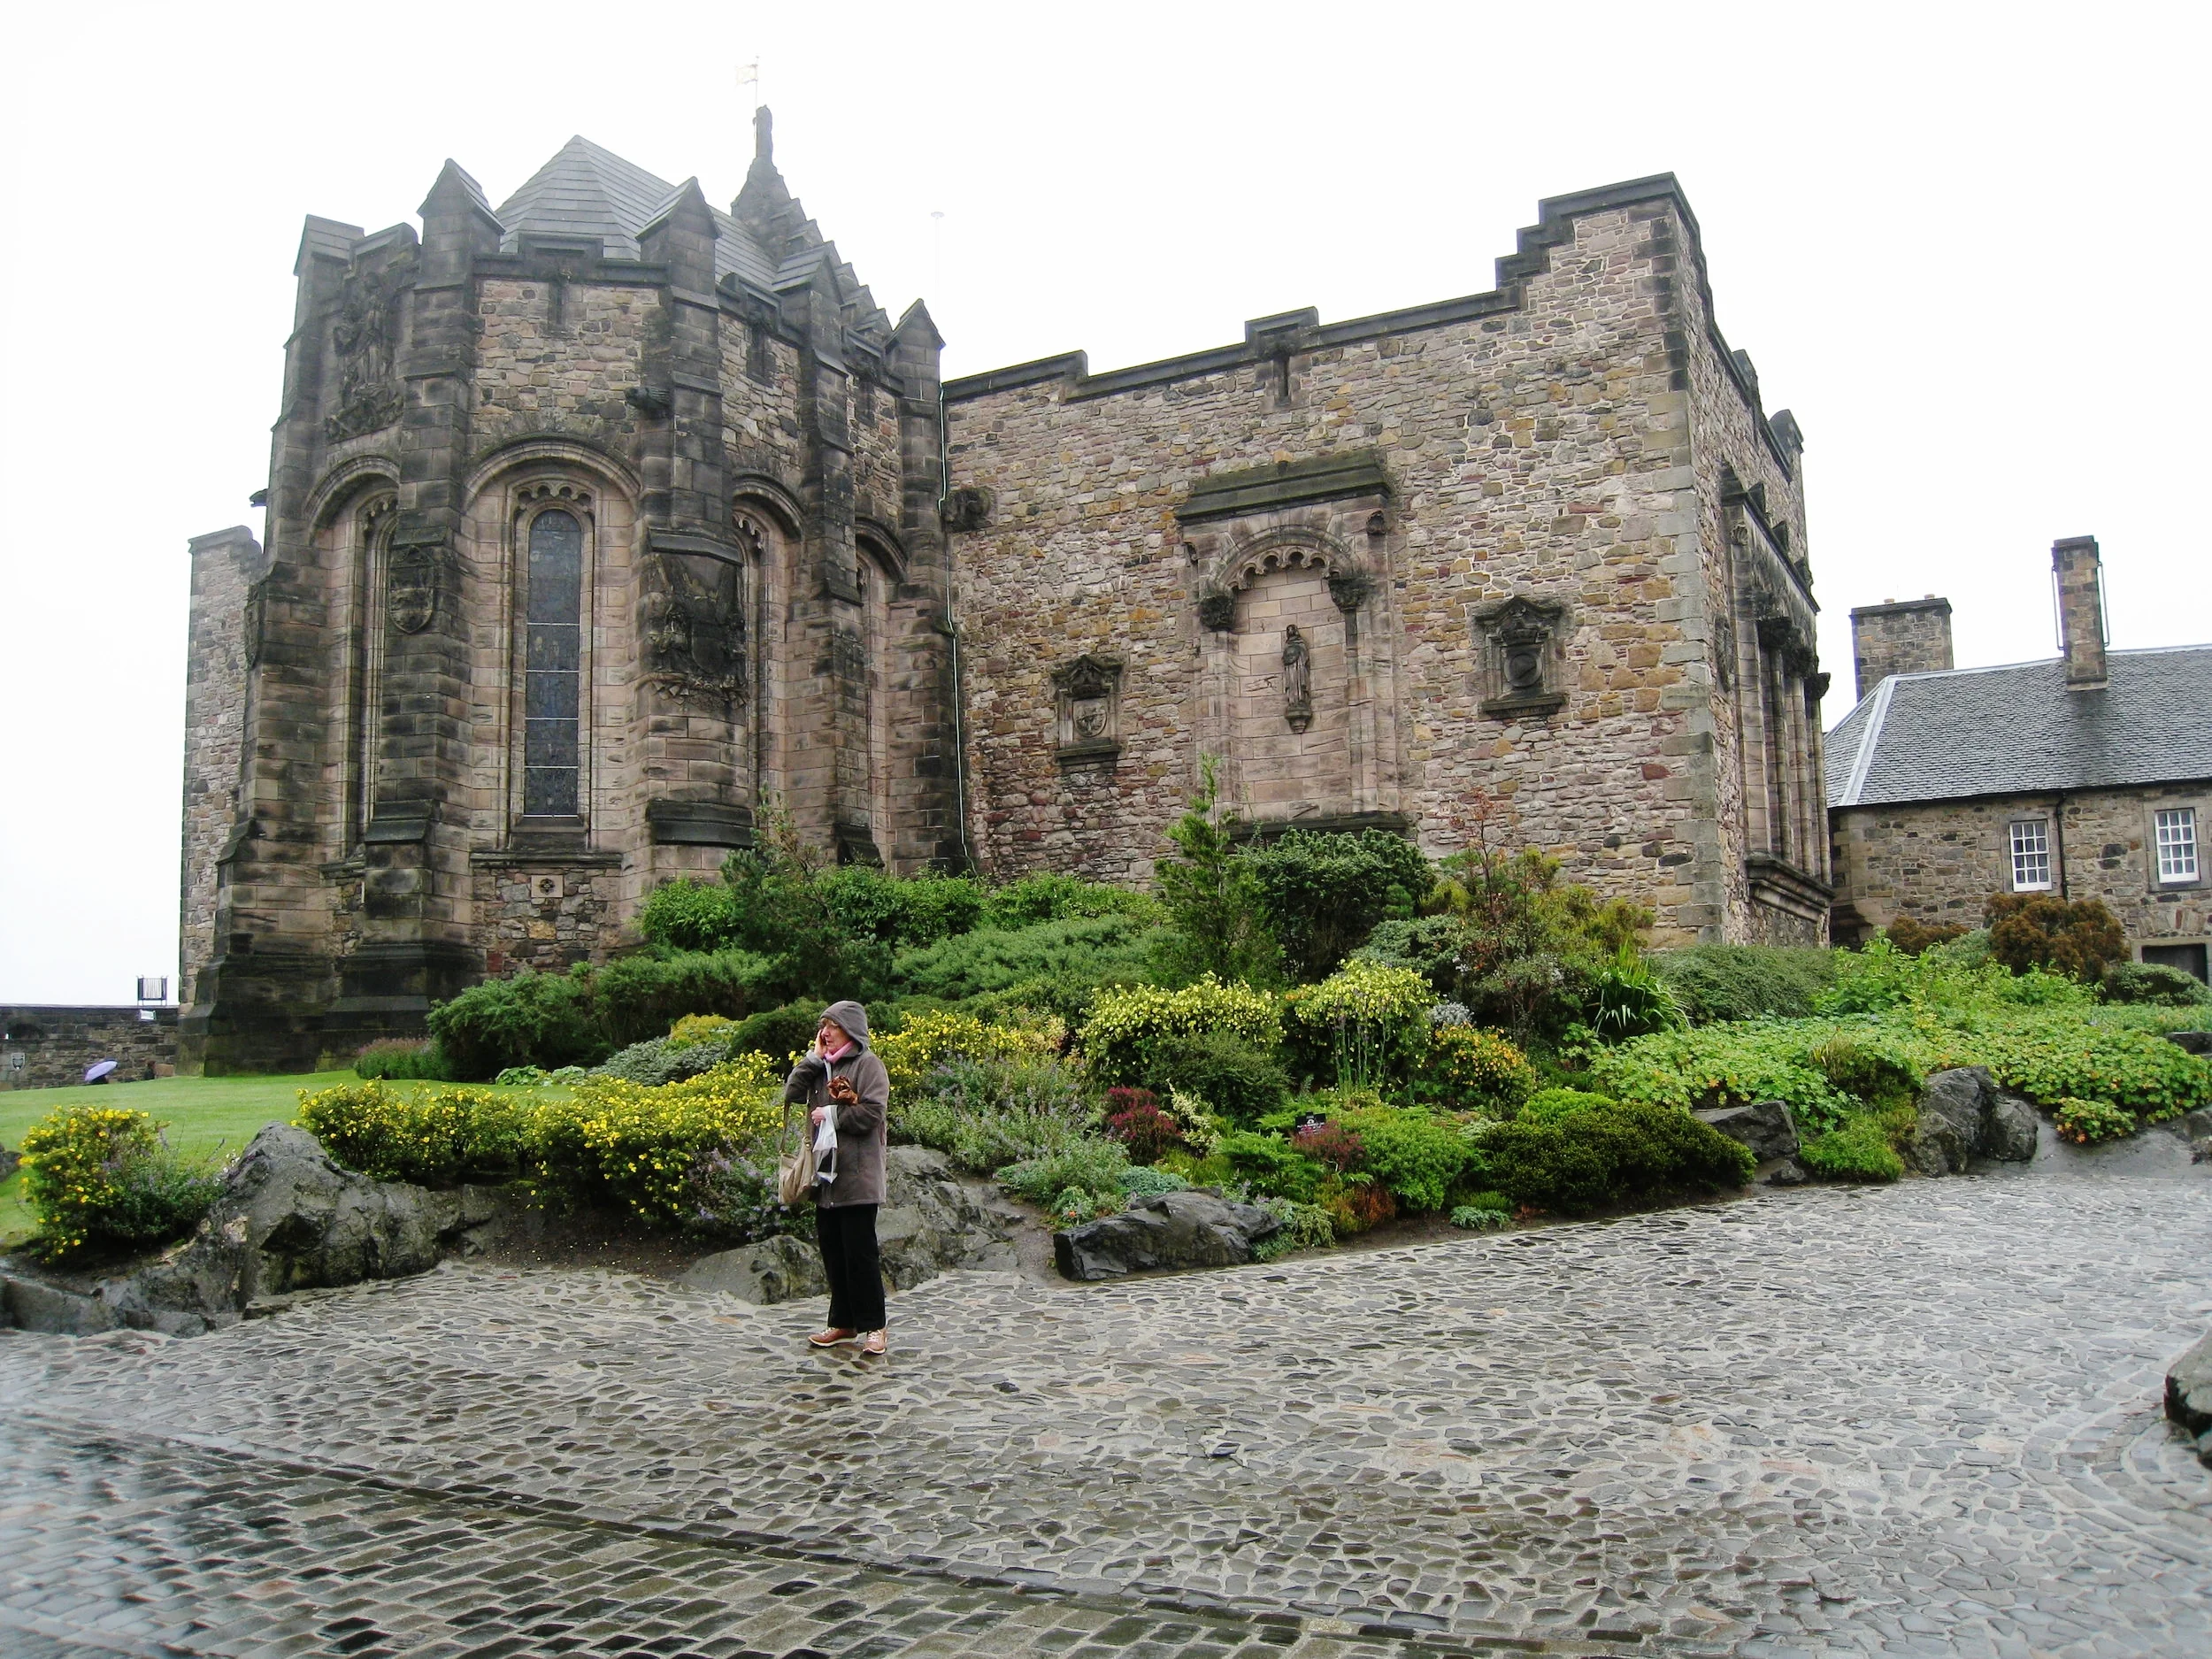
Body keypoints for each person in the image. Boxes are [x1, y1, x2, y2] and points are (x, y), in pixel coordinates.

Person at [784, 1000, 891, 1355]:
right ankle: (843, 1323)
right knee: (834, 1252)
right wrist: (813, 1059)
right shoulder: (821, 1067)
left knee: (860, 1255)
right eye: (823, 1026)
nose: (825, 1032)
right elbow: (791, 1093)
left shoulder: (868, 1065)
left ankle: (874, 1327)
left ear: (852, 1030)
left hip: (858, 1176)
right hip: (824, 1177)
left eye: (833, 1025)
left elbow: (872, 1114)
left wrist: (831, 1115)